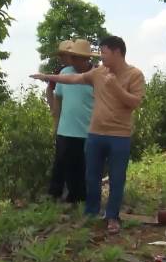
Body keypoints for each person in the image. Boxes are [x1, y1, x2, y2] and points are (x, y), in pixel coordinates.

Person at [32, 34, 145, 235]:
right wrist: (48, 77)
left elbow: (134, 102)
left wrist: (115, 87)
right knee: (91, 177)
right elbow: (73, 78)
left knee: (117, 178)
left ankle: (112, 217)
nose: (101, 57)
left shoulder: (135, 75)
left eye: (104, 53)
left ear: (117, 52)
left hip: (119, 136)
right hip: (95, 134)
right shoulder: (98, 73)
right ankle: (91, 213)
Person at [47, 41, 96, 206]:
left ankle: (82, 200)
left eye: (75, 57)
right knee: (63, 166)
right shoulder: (65, 72)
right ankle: (60, 198)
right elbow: (58, 98)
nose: (71, 60)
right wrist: (56, 122)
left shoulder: (97, 76)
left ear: (86, 59)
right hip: (65, 130)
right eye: (71, 57)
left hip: (88, 131)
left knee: (83, 168)